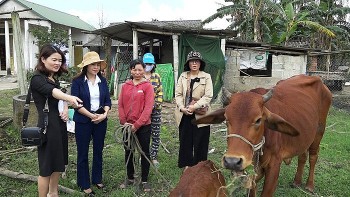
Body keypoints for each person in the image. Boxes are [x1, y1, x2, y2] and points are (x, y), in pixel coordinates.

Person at [30, 44, 83, 197]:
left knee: (58, 164)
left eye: (60, 60)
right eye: (54, 59)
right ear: (43, 59)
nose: (57, 63)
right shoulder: (37, 79)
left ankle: (53, 193)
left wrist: (66, 107)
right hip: (47, 127)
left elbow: (59, 96)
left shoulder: (53, 78)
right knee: (46, 167)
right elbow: (52, 92)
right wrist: (70, 98)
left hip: (59, 126)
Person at [71, 51, 111, 196]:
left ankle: (97, 178)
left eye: (98, 64)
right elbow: (75, 104)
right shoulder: (77, 82)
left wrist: (104, 114)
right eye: (93, 64)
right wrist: (91, 116)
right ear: (86, 66)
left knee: (98, 150)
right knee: (83, 152)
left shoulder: (103, 81)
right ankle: (84, 182)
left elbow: (107, 100)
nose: (96, 67)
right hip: (83, 120)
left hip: (101, 120)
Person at [118, 59, 154, 192]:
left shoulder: (147, 86)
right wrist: (124, 122)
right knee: (128, 151)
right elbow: (120, 104)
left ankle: (144, 180)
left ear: (144, 70)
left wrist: (137, 125)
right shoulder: (125, 85)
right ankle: (130, 177)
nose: (137, 72)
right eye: (134, 69)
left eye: (140, 70)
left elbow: (148, 108)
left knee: (144, 152)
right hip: (127, 125)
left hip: (143, 126)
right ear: (130, 70)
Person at [174, 51, 213, 170]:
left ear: (200, 63)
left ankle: (200, 166)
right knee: (185, 139)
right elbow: (178, 94)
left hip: (201, 114)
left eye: (197, 61)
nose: (194, 63)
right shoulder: (183, 76)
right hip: (185, 113)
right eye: (192, 61)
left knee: (201, 140)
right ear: (188, 63)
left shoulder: (206, 76)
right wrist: (182, 107)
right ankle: (187, 165)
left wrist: (194, 107)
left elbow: (208, 96)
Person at [142, 53, 163, 167]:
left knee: (155, 134)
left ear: (153, 65)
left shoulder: (156, 76)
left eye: (150, 64)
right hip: (142, 111)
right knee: (144, 134)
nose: (148, 66)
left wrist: (155, 105)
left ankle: (153, 156)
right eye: (146, 64)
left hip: (155, 110)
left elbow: (160, 92)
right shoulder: (139, 77)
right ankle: (144, 156)